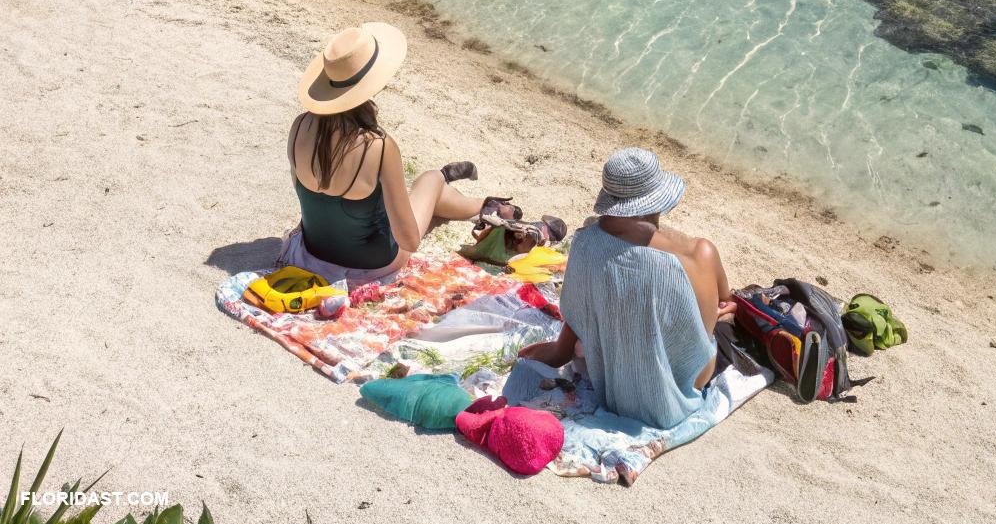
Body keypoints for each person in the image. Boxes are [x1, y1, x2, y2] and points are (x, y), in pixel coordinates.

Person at [282, 22, 519, 283]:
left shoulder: (299, 127)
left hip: (311, 253)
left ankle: (484, 206)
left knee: (419, 197)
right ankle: (470, 195)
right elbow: (409, 240)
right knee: (429, 181)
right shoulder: (378, 146)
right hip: (373, 264)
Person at [519, 148, 733, 429]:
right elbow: (724, 302)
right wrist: (716, 314)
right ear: (655, 200)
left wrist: (533, 354)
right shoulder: (699, 253)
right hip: (684, 389)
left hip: (614, 390)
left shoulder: (585, 245)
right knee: (728, 320)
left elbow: (566, 345)